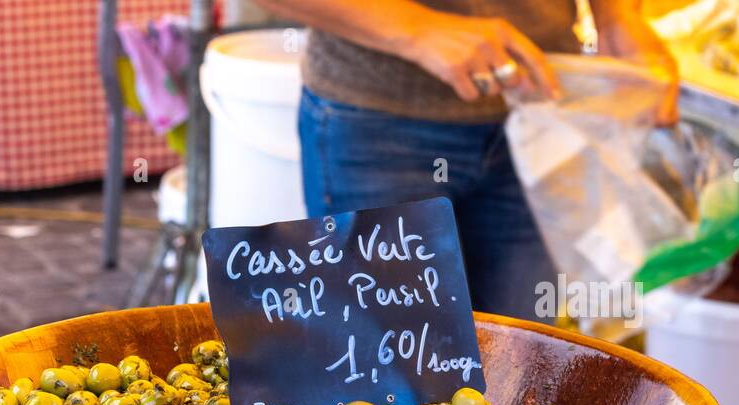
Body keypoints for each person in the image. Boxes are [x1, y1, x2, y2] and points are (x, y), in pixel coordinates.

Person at [254, 0, 679, 321]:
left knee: (520, 373)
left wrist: (617, 17)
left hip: (541, 112)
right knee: (392, 388)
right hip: (378, 124)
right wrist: (419, 30)